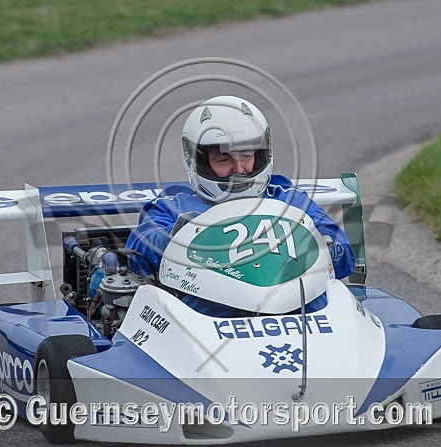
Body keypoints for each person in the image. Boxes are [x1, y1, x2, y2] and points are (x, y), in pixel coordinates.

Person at [126, 95, 355, 317]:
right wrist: (178, 237)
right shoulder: (173, 206)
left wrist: (325, 248)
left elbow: (343, 254)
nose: (239, 168)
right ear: (197, 161)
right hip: (207, 322)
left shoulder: (288, 200)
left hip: (297, 314)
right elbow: (138, 250)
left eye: (246, 156)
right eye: (224, 160)